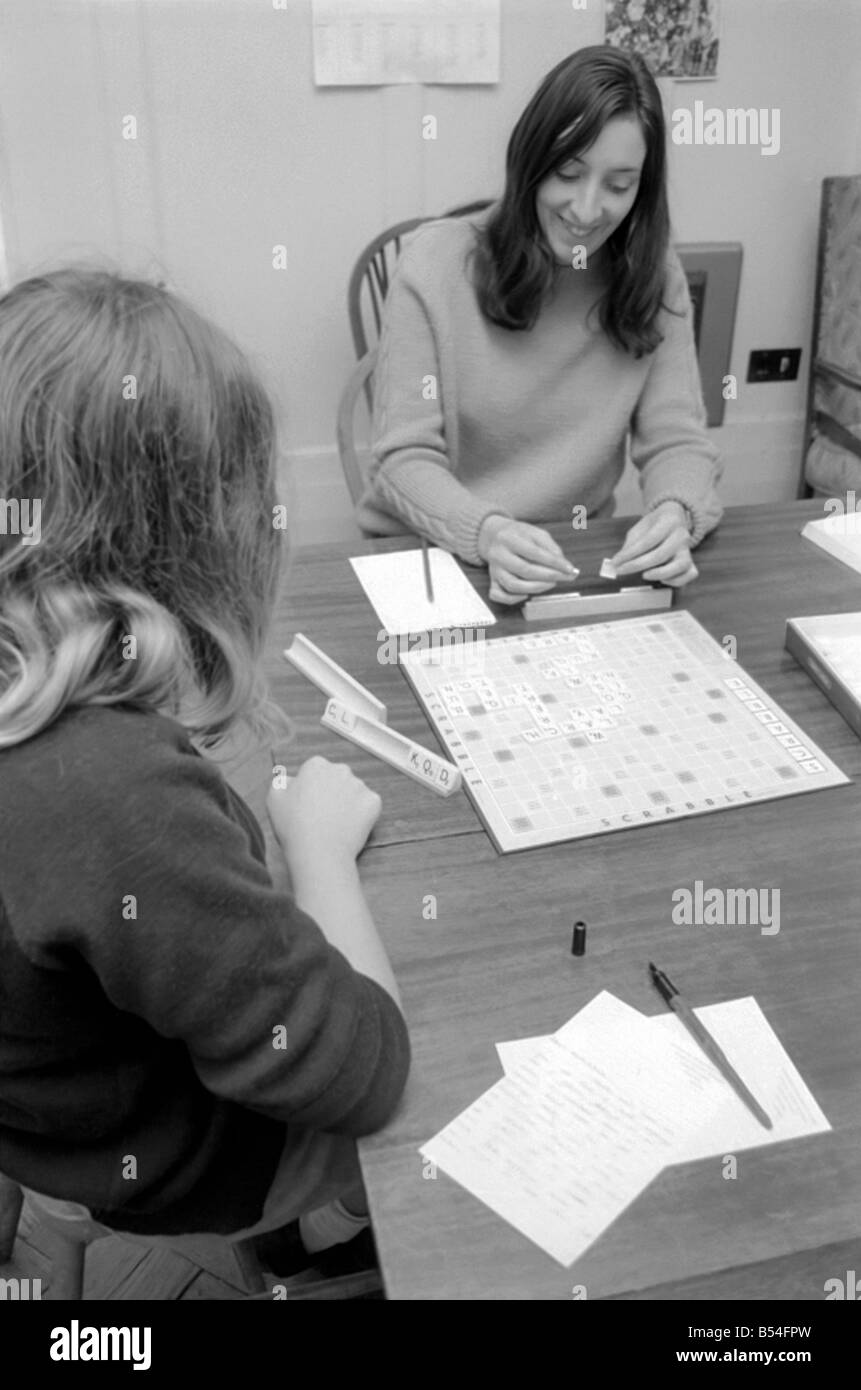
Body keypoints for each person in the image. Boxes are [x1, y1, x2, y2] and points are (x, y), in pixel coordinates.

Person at [0, 269, 409, 1267]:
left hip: (49, 1110)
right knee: (429, 1078)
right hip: (175, 1158)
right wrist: (319, 851)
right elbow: (364, 1068)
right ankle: (329, 1222)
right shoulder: (111, 789)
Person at [356, 45, 722, 604]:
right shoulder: (434, 265)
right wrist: (488, 532)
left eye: (620, 185)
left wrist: (676, 512)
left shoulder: (655, 277)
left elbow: (678, 439)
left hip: (566, 559)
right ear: (529, 162)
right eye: (568, 173)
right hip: (432, 558)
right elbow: (402, 459)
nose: (586, 208)